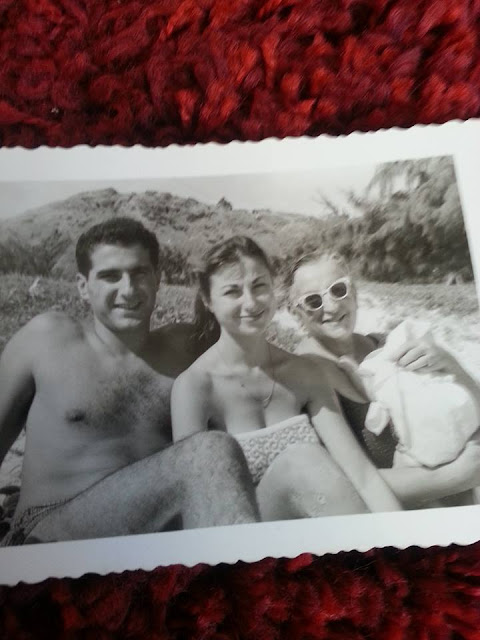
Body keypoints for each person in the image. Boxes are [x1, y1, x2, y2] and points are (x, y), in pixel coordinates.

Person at [0, 217, 259, 546]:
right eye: (110, 276)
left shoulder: (186, 347)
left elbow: (256, 361)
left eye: (139, 273)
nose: (128, 289)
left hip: (157, 534)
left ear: (157, 279)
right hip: (53, 534)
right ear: (83, 286)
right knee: (210, 451)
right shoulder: (47, 339)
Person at [171, 236, 402, 519]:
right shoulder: (194, 387)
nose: (250, 302)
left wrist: (402, 535)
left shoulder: (303, 372)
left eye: (259, 286)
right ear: (208, 300)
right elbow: (197, 501)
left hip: (314, 522)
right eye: (232, 292)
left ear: (273, 290)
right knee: (298, 459)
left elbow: (362, 475)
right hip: (243, 530)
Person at [286, 250, 480, 508]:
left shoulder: (387, 344)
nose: (331, 306)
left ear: (354, 293)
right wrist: (457, 476)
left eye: (338, 290)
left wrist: (451, 365)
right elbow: (339, 486)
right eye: (313, 301)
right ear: (295, 313)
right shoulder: (301, 379)